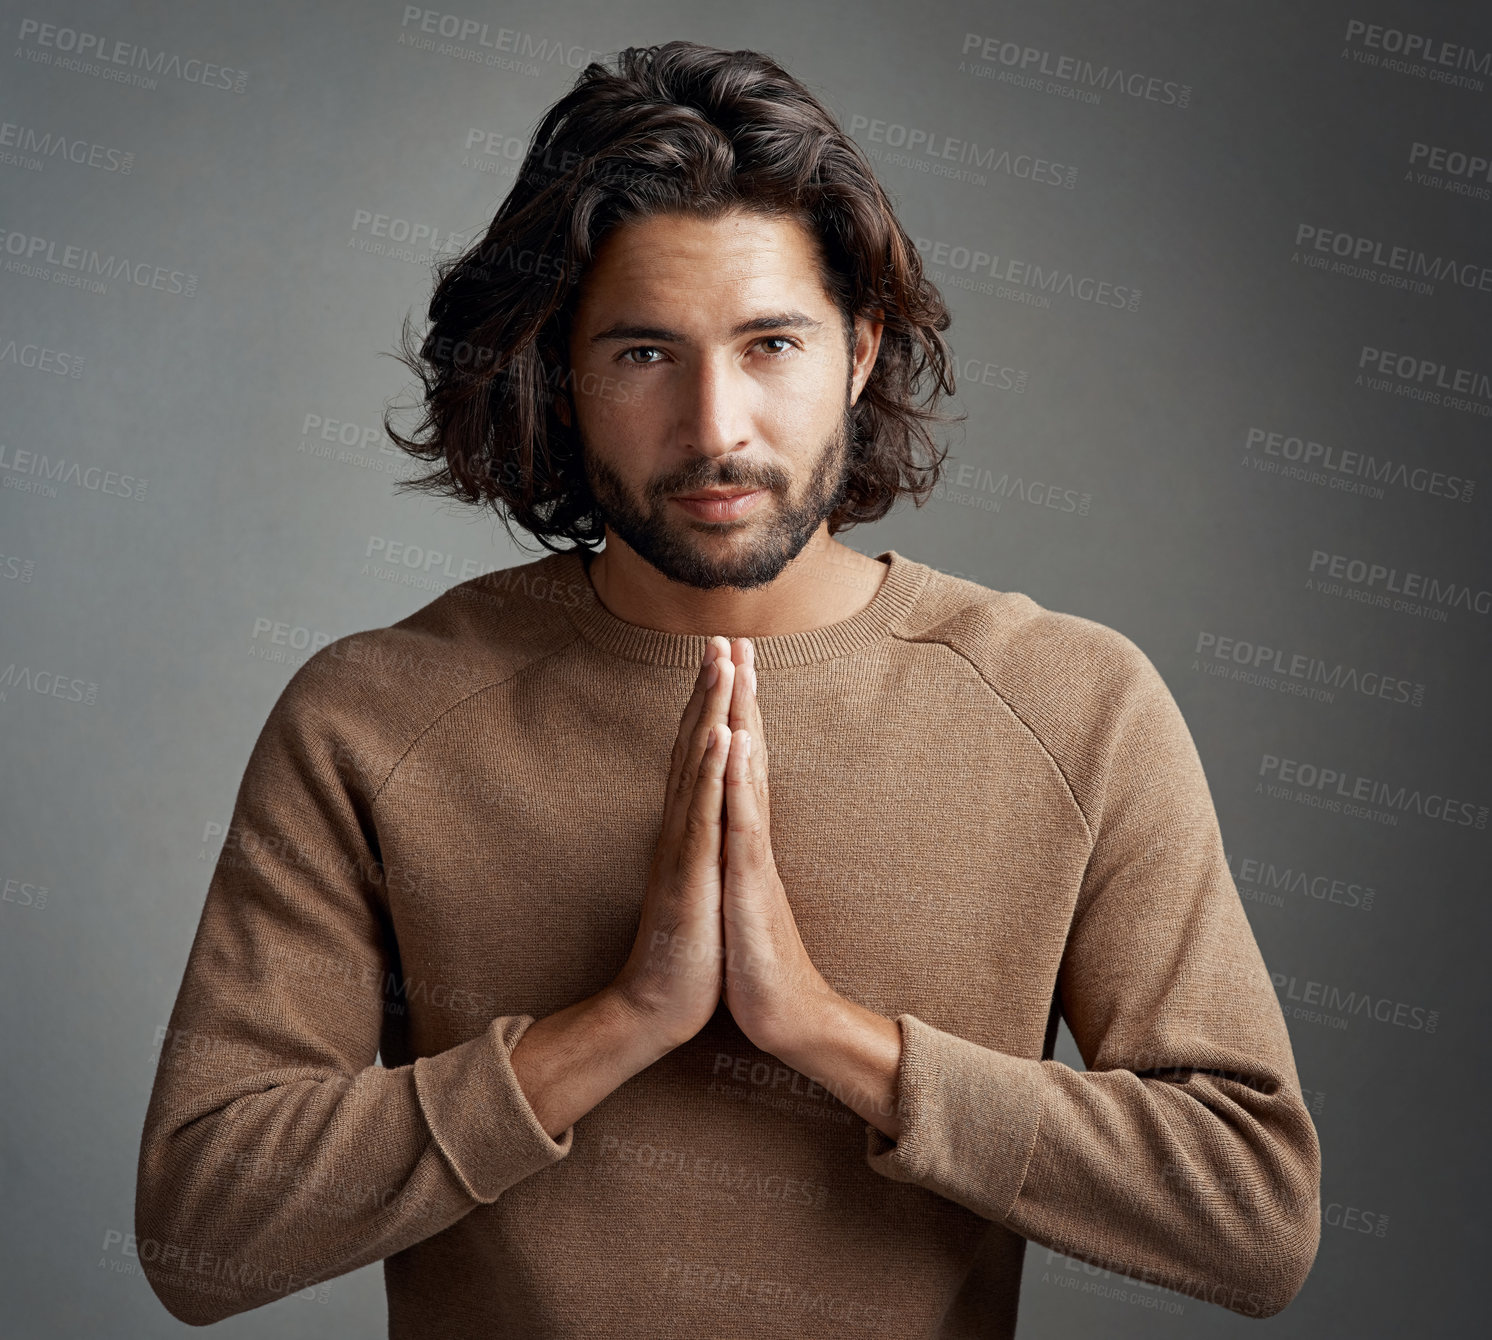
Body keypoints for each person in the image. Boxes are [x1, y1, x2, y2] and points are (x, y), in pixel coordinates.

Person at [135, 40, 1320, 1337]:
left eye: (770, 343)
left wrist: (824, 1033)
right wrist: (613, 1027)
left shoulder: (1078, 706)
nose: (716, 426)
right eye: (646, 354)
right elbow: (201, 1230)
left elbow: (1253, 1215)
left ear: (861, 351)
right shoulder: (370, 719)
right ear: (565, 376)